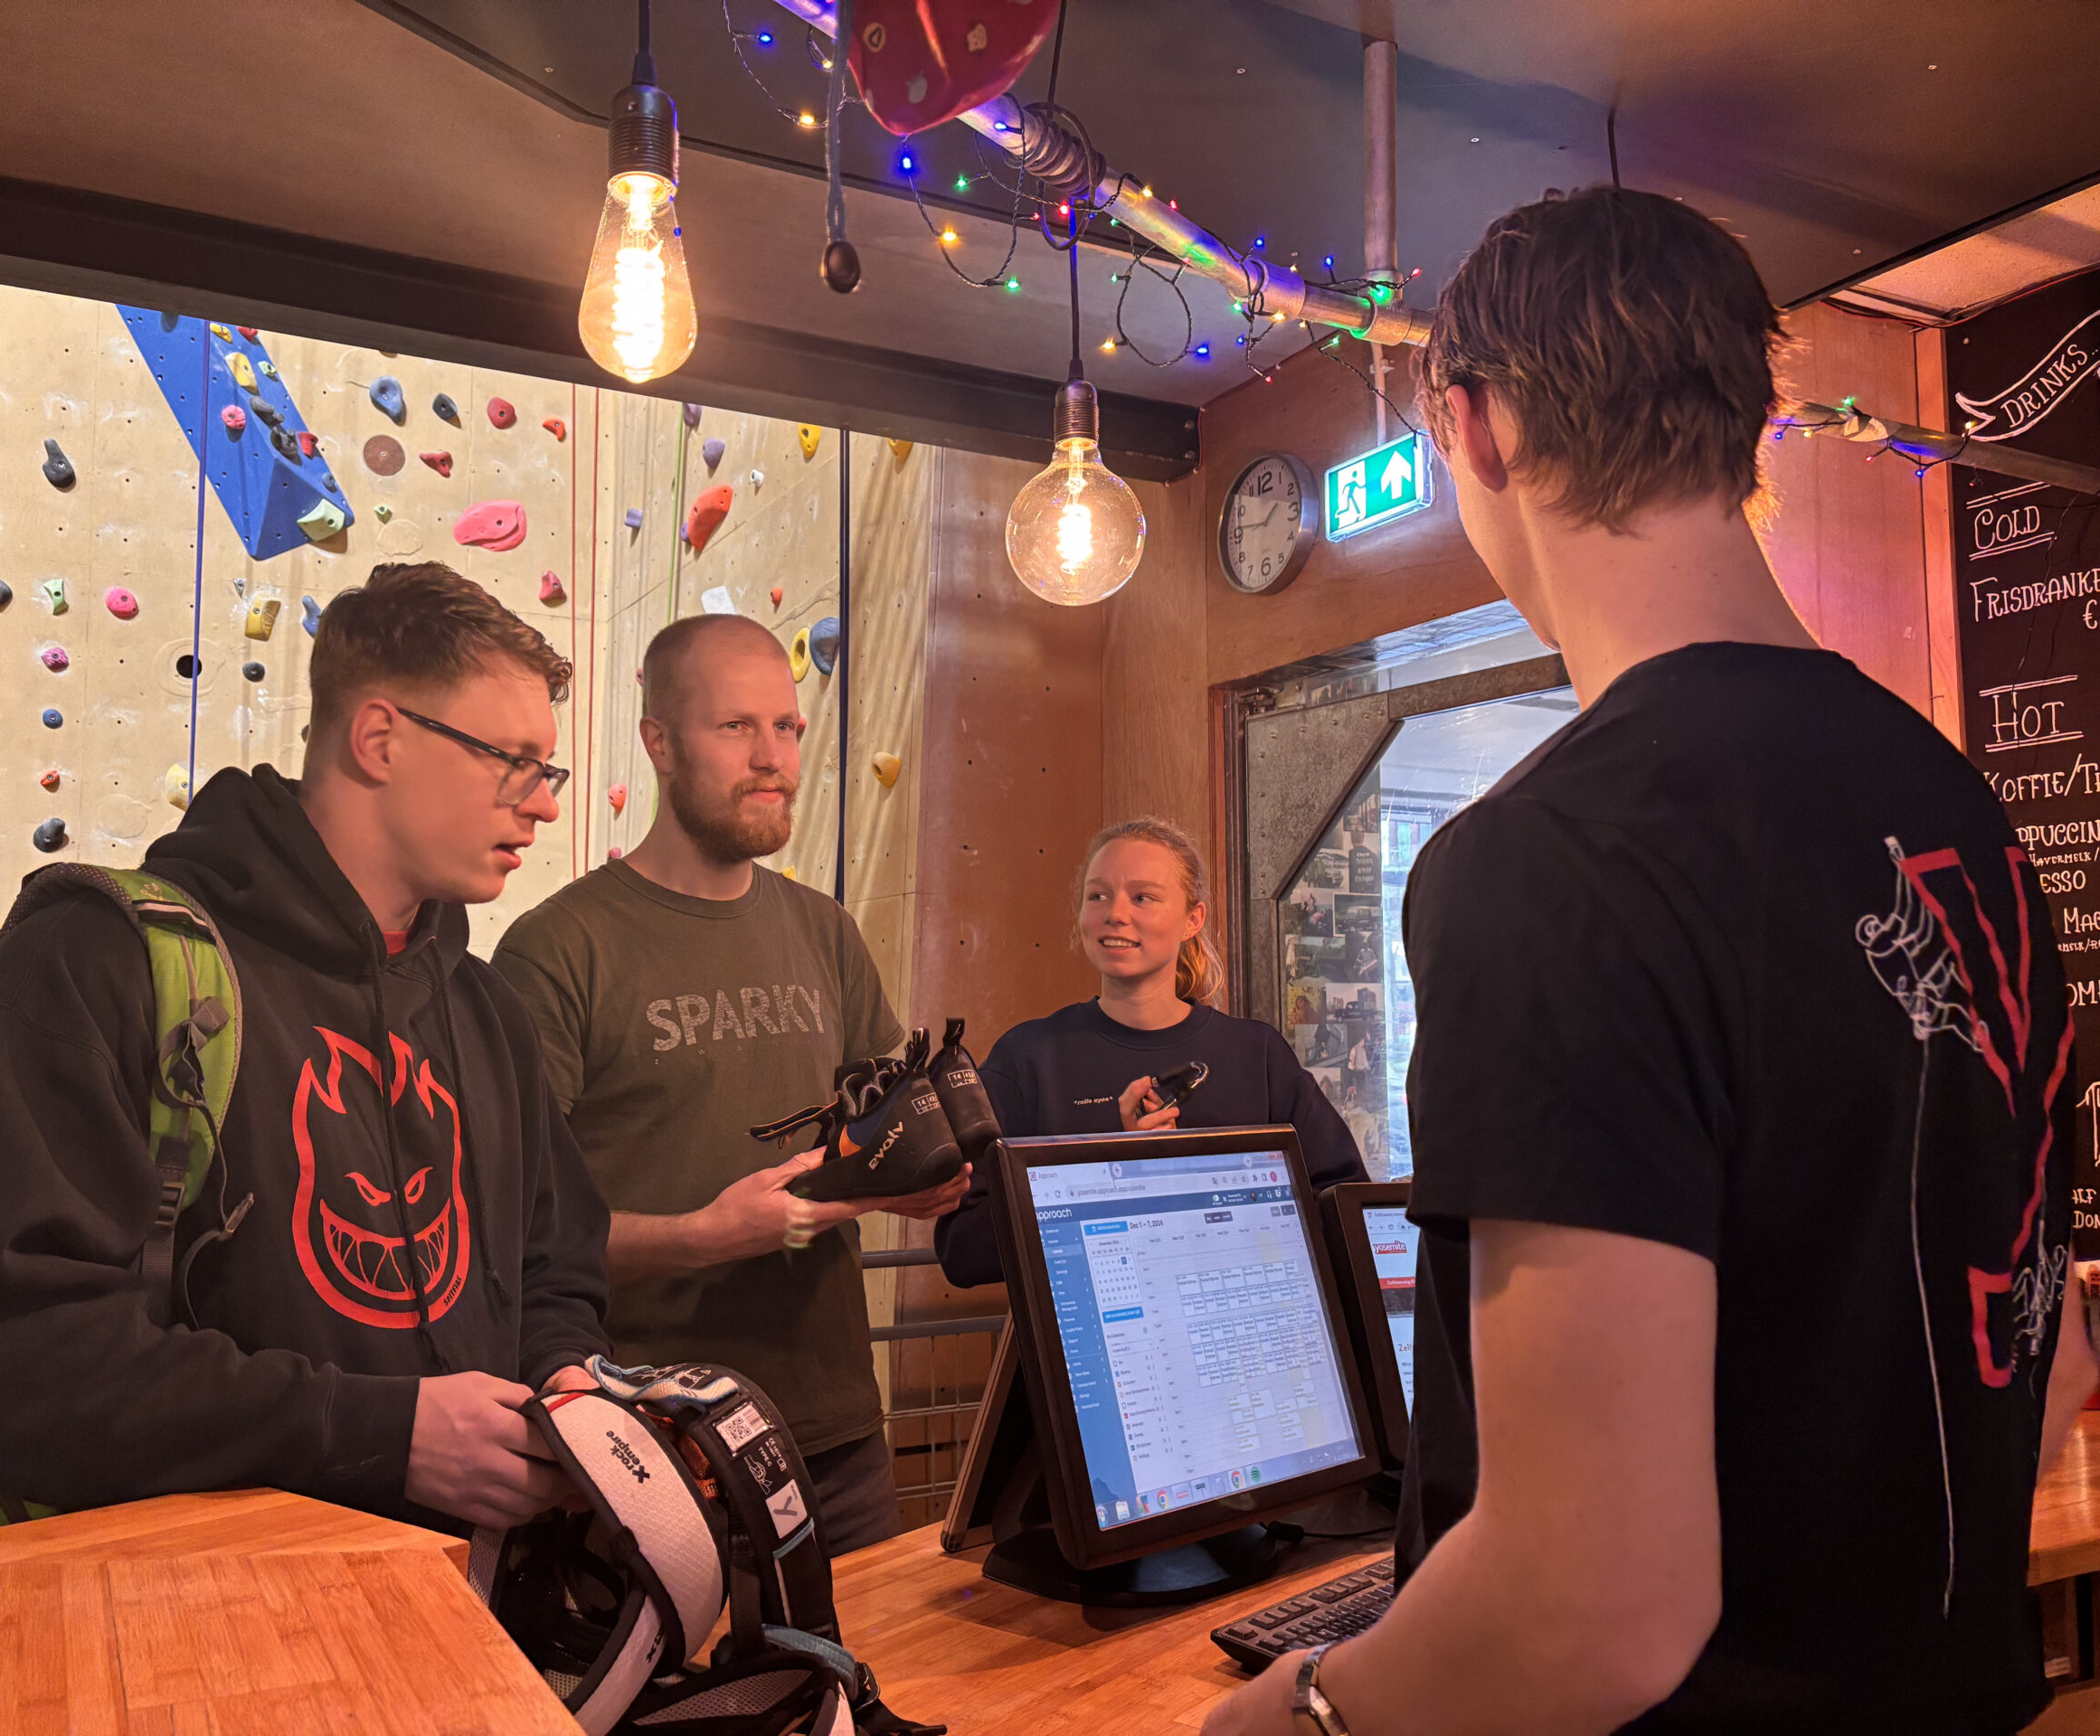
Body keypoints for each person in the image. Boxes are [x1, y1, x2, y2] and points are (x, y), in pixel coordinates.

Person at [1208, 187, 2096, 1736]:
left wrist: (1306, 1715)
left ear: (1470, 427)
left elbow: (1592, 1601)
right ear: (1750, 426)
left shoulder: (1549, 860)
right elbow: (2049, 1347)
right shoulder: (1961, 810)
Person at [0, 561, 612, 1536]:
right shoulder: (100, 963)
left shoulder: (481, 1007)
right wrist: (378, 1432)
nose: (545, 805)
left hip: (462, 1625)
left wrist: (565, 1384)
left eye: (547, 770)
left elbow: (552, 1264)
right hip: (187, 1638)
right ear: (381, 739)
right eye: (512, 761)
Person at [491, 613, 970, 1555]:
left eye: (787, 728)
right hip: (650, 1446)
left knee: (860, 1695)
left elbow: (860, 1147)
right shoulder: (558, 950)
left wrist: (916, 1176)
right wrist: (702, 1239)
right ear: (659, 742)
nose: (772, 759)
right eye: (735, 728)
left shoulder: (823, 930)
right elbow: (510, 1241)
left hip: (835, 1435)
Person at [932, 816, 1364, 1289]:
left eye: (1142, 897)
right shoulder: (1028, 1057)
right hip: (1085, 1353)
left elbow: (1345, 1206)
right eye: (1097, 895)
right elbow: (963, 1251)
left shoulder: (1257, 1055)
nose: (1115, 913)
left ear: (1192, 919)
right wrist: (1108, 1172)